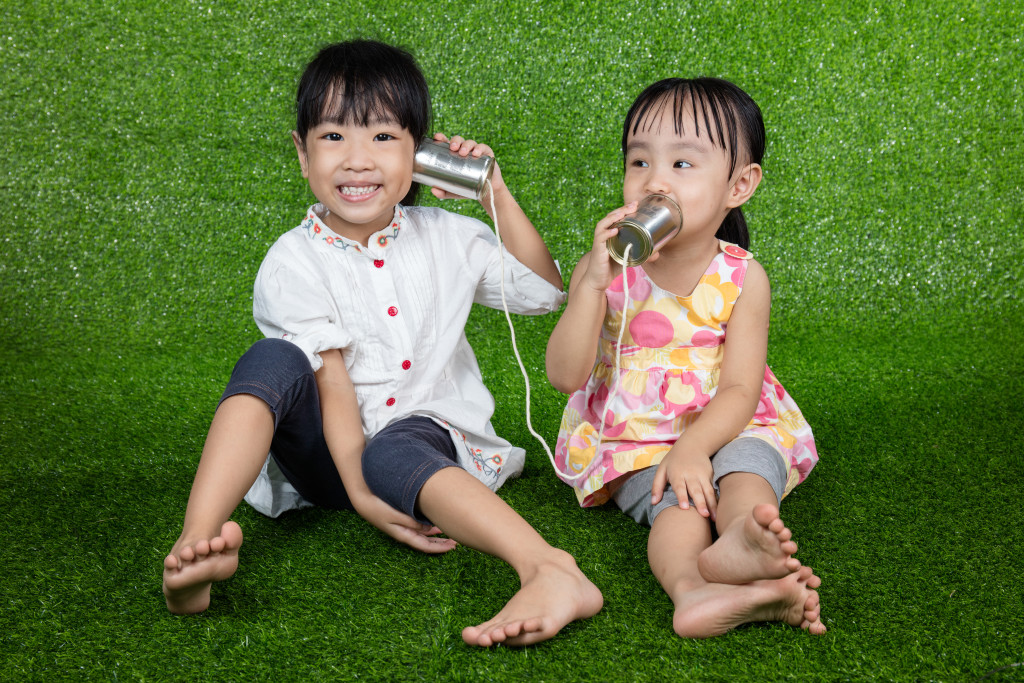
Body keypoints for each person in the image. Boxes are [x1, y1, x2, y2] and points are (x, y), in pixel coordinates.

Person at [162, 39, 602, 647]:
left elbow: (547, 292)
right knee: (272, 359)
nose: (357, 160)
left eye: (383, 137)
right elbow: (331, 383)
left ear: (419, 152)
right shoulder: (293, 260)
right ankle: (196, 545)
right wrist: (364, 497)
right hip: (327, 460)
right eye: (333, 137)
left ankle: (548, 567)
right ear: (302, 152)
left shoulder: (453, 236)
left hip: (422, 447)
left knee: (393, 446)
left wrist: (491, 189)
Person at [545, 77, 825, 638]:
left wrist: (697, 446)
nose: (655, 181)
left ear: (738, 185)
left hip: (727, 419)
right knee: (674, 504)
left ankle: (745, 539)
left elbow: (743, 389)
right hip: (635, 434)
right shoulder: (603, 271)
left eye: (683, 164)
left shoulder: (743, 276)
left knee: (747, 467)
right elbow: (564, 376)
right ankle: (691, 591)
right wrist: (591, 288)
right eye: (640, 160)